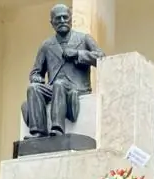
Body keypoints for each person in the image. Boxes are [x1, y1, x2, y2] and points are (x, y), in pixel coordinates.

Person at [22, 3, 104, 137]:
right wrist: (36, 77)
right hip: (54, 89)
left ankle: (58, 129)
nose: (62, 21)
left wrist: (78, 54)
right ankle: (38, 131)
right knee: (33, 88)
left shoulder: (84, 39)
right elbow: (36, 71)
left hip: (76, 88)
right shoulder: (46, 45)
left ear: (71, 19)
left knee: (59, 84)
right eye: (58, 18)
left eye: (65, 17)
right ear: (51, 23)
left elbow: (101, 58)